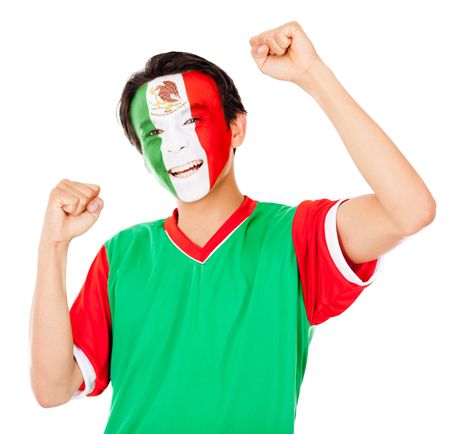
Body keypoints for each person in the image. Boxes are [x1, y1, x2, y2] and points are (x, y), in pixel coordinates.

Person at [29, 20, 436, 434]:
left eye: (191, 121)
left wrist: (313, 75)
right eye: (154, 132)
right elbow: (51, 387)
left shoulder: (295, 237)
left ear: (236, 126)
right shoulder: (123, 254)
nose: (175, 145)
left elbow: (410, 210)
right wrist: (54, 245)